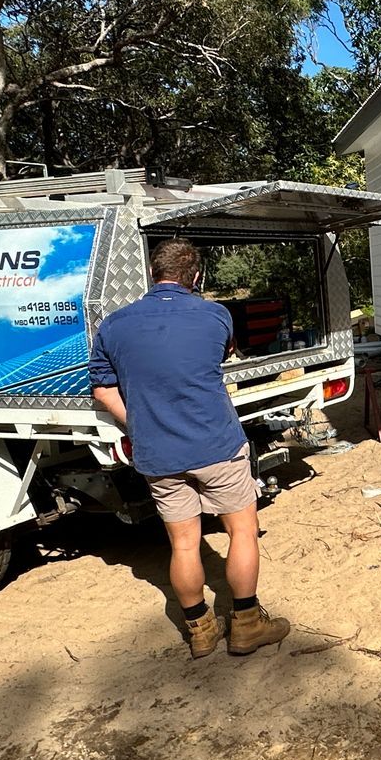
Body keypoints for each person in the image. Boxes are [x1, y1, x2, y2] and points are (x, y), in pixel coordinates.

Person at [89, 238, 292, 658]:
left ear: (151, 273)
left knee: (183, 544)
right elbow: (222, 355)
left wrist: (140, 421)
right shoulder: (216, 315)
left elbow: (103, 389)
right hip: (216, 444)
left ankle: (201, 631)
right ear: (195, 276)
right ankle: (247, 625)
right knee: (242, 532)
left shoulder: (113, 325)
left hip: (158, 454)